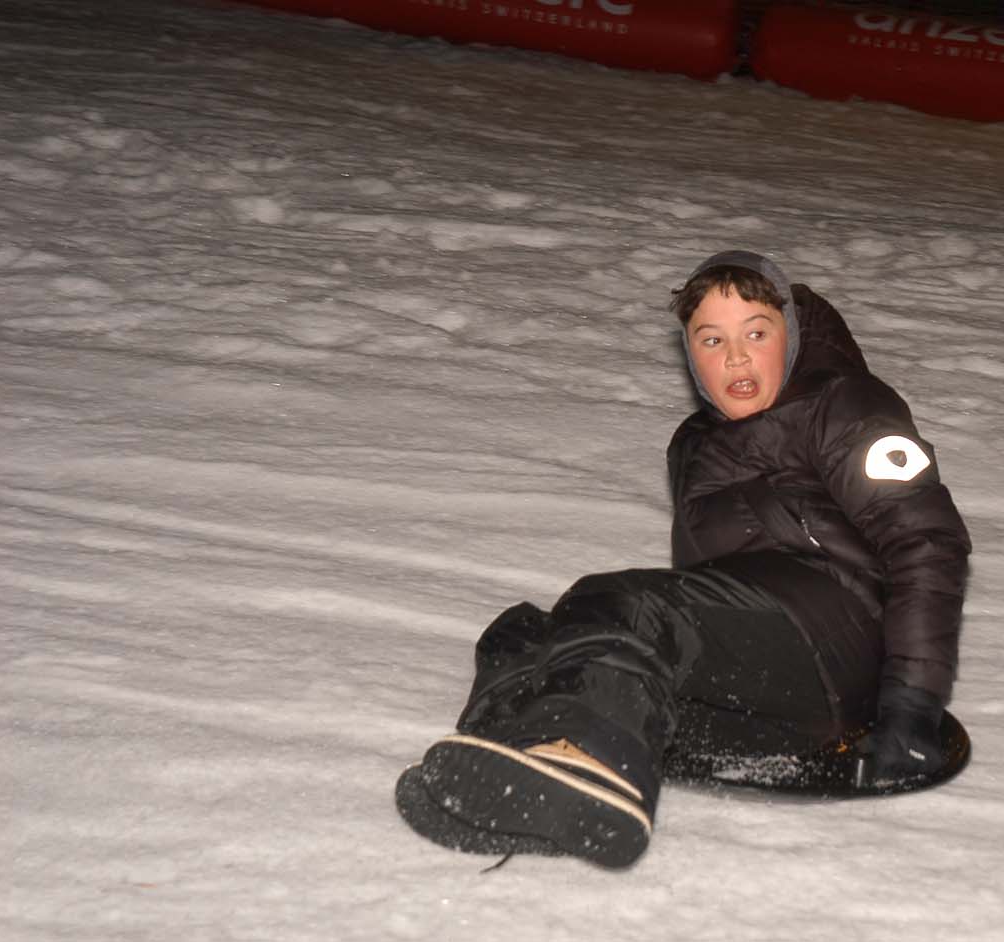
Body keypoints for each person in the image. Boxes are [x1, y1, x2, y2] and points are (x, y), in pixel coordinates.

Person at [395, 250, 971, 868]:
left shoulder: (844, 405)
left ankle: (584, 757)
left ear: (791, 335)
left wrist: (912, 706)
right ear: (691, 355)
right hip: (772, 680)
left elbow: (926, 545)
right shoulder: (695, 445)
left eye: (756, 333)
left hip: (841, 646)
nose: (736, 358)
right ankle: (515, 764)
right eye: (712, 340)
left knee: (623, 604)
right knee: (534, 631)